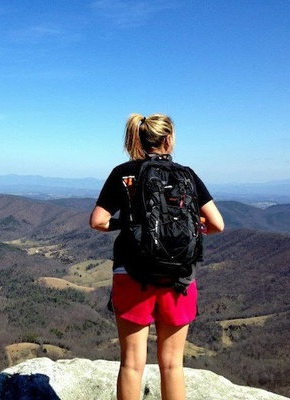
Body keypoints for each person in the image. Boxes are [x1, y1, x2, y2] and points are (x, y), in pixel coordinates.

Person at [90, 113, 224, 400]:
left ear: (139, 137)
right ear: (168, 139)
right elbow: (217, 224)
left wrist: (124, 224)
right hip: (179, 278)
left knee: (131, 364)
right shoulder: (186, 175)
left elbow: (98, 221)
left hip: (132, 274)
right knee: (173, 365)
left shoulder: (123, 173)